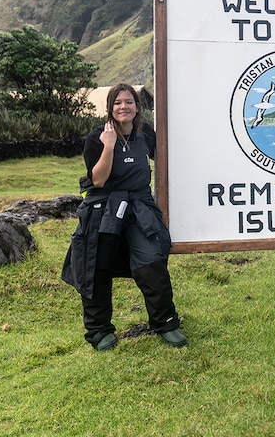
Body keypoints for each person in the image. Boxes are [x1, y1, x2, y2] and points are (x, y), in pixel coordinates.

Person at [61, 83, 186, 350]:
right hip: (104, 205)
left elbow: (167, 157)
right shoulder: (97, 138)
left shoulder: (145, 134)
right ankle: (99, 330)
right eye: (117, 103)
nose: (123, 107)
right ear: (109, 107)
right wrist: (109, 146)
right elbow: (97, 179)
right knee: (96, 265)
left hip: (139, 206)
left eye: (128, 102)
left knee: (151, 259)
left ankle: (165, 322)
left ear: (137, 107)